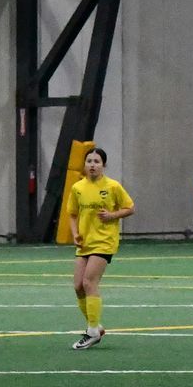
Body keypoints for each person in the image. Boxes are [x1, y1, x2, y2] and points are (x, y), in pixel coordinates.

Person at [65, 148, 135, 350]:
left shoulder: (113, 186)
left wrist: (112, 215)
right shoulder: (78, 187)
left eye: (96, 161)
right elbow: (72, 214)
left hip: (104, 241)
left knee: (89, 282)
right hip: (85, 242)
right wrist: (75, 234)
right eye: (89, 161)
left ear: (104, 165)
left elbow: (130, 208)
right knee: (78, 286)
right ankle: (95, 326)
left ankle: (92, 332)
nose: (92, 165)